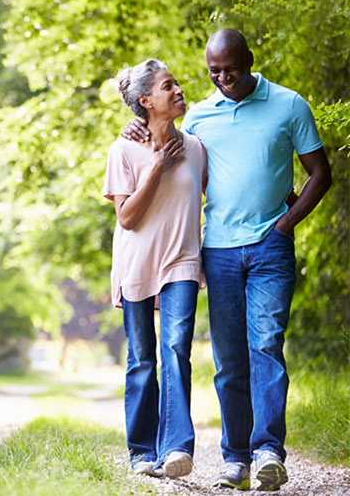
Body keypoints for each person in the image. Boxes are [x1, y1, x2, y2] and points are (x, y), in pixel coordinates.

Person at [122, 29, 333, 491]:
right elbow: (168, 152)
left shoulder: (289, 104)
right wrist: (136, 125)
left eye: (231, 69)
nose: (223, 78)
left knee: (266, 346)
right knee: (229, 359)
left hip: (270, 247)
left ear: (250, 60)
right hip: (217, 250)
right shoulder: (198, 117)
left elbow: (321, 174)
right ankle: (235, 458)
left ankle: (267, 451)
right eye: (214, 71)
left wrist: (286, 222)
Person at [105, 58, 206, 479]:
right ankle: (141, 452)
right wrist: (156, 166)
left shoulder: (197, 148)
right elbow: (127, 218)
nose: (179, 89)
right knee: (143, 358)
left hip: (182, 260)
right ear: (146, 101)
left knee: (176, 348)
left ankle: (176, 448)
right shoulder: (123, 150)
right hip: (137, 265)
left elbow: (219, 199)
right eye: (168, 86)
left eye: (176, 83)